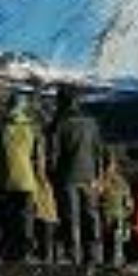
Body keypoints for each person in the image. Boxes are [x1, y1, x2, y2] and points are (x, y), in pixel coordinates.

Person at [46, 85, 105, 266]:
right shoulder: (91, 122)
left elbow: (53, 155)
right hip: (90, 176)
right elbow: (98, 152)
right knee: (91, 215)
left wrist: (51, 176)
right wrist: (98, 176)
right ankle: (95, 256)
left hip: (67, 177)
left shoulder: (59, 123)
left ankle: (74, 257)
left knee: (71, 218)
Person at [0, 92, 44, 262]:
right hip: (27, 182)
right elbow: (39, 158)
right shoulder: (33, 129)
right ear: (24, 108)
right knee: (25, 222)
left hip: (2, 181)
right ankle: (24, 256)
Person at [98, 149, 133, 268]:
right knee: (103, 244)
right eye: (107, 163)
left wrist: (125, 218)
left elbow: (129, 204)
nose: (109, 167)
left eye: (111, 164)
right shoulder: (100, 181)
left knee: (116, 245)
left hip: (116, 218)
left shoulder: (121, 182)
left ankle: (116, 264)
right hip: (103, 218)